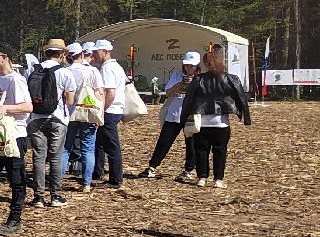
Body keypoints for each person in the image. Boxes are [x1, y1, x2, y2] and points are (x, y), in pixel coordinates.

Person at [177, 49, 251, 188]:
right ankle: (218, 180)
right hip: (221, 122)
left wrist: (183, 119)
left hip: (202, 121)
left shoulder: (199, 79)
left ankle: (202, 178)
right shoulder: (231, 78)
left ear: (205, 63)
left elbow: (188, 100)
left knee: (201, 150)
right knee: (220, 150)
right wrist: (246, 118)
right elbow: (242, 98)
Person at [0, 45, 32, 237]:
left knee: (16, 179)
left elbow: (28, 106)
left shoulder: (16, 80)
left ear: (5, 58)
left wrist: (6, 108)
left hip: (15, 135)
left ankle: (15, 219)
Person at [26, 38, 74, 207]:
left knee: (39, 157)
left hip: (36, 117)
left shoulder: (32, 71)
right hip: (57, 118)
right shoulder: (65, 73)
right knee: (55, 157)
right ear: (61, 54)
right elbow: (69, 100)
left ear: (45, 53)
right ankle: (56, 195)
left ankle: (38, 197)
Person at [140, 51, 200, 181]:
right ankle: (152, 167)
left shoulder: (200, 78)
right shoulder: (177, 75)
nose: (189, 68)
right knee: (164, 141)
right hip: (174, 113)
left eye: (192, 65)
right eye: (187, 65)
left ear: (197, 66)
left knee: (192, 144)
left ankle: (188, 170)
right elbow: (168, 93)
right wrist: (180, 85)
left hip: (191, 115)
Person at [61, 42, 101, 194]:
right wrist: (100, 115)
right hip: (88, 112)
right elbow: (99, 93)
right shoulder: (92, 71)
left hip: (68, 114)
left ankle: (58, 181)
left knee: (65, 148)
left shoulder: (64, 72)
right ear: (82, 54)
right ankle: (86, 183)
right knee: (88, 149)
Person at [92, 39, 128, 188]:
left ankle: (115, 179)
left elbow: (110, 93)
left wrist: (101, 111)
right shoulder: (116, 66)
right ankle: (98, 171)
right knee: (100, 143)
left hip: (110, 110)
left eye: (96, 51)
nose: (94, 54)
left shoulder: (107, 68)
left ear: (105, 52)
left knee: (111, 146)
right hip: (116, 109)